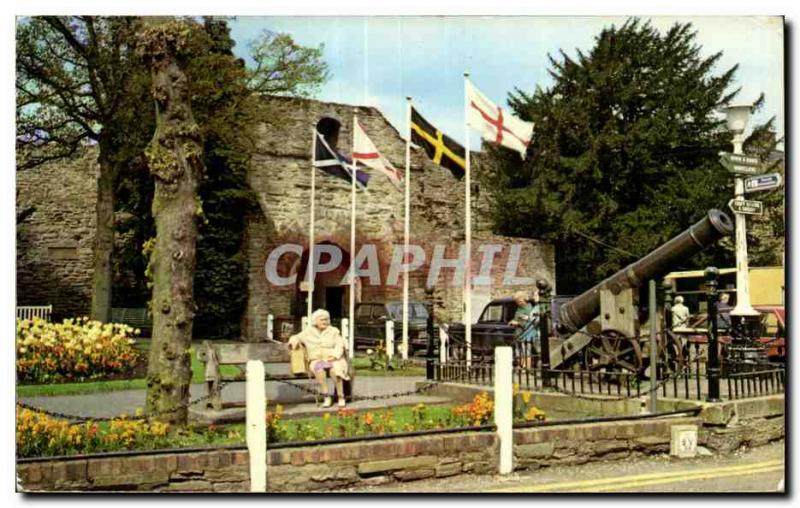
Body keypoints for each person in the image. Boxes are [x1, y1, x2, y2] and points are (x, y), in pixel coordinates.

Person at [288, 309, 350, 408]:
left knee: (335, 371)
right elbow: (295, 337)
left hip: (333, 359)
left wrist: (334, 355)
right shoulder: (308, 332)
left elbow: (340, 344)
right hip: (317, 360)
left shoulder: (333, 331)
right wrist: (293, 341)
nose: (325, 322)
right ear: (315, 321)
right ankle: (326, 397)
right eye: (322, 320)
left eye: (327, 319)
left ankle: (341, 396)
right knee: (318, 368)